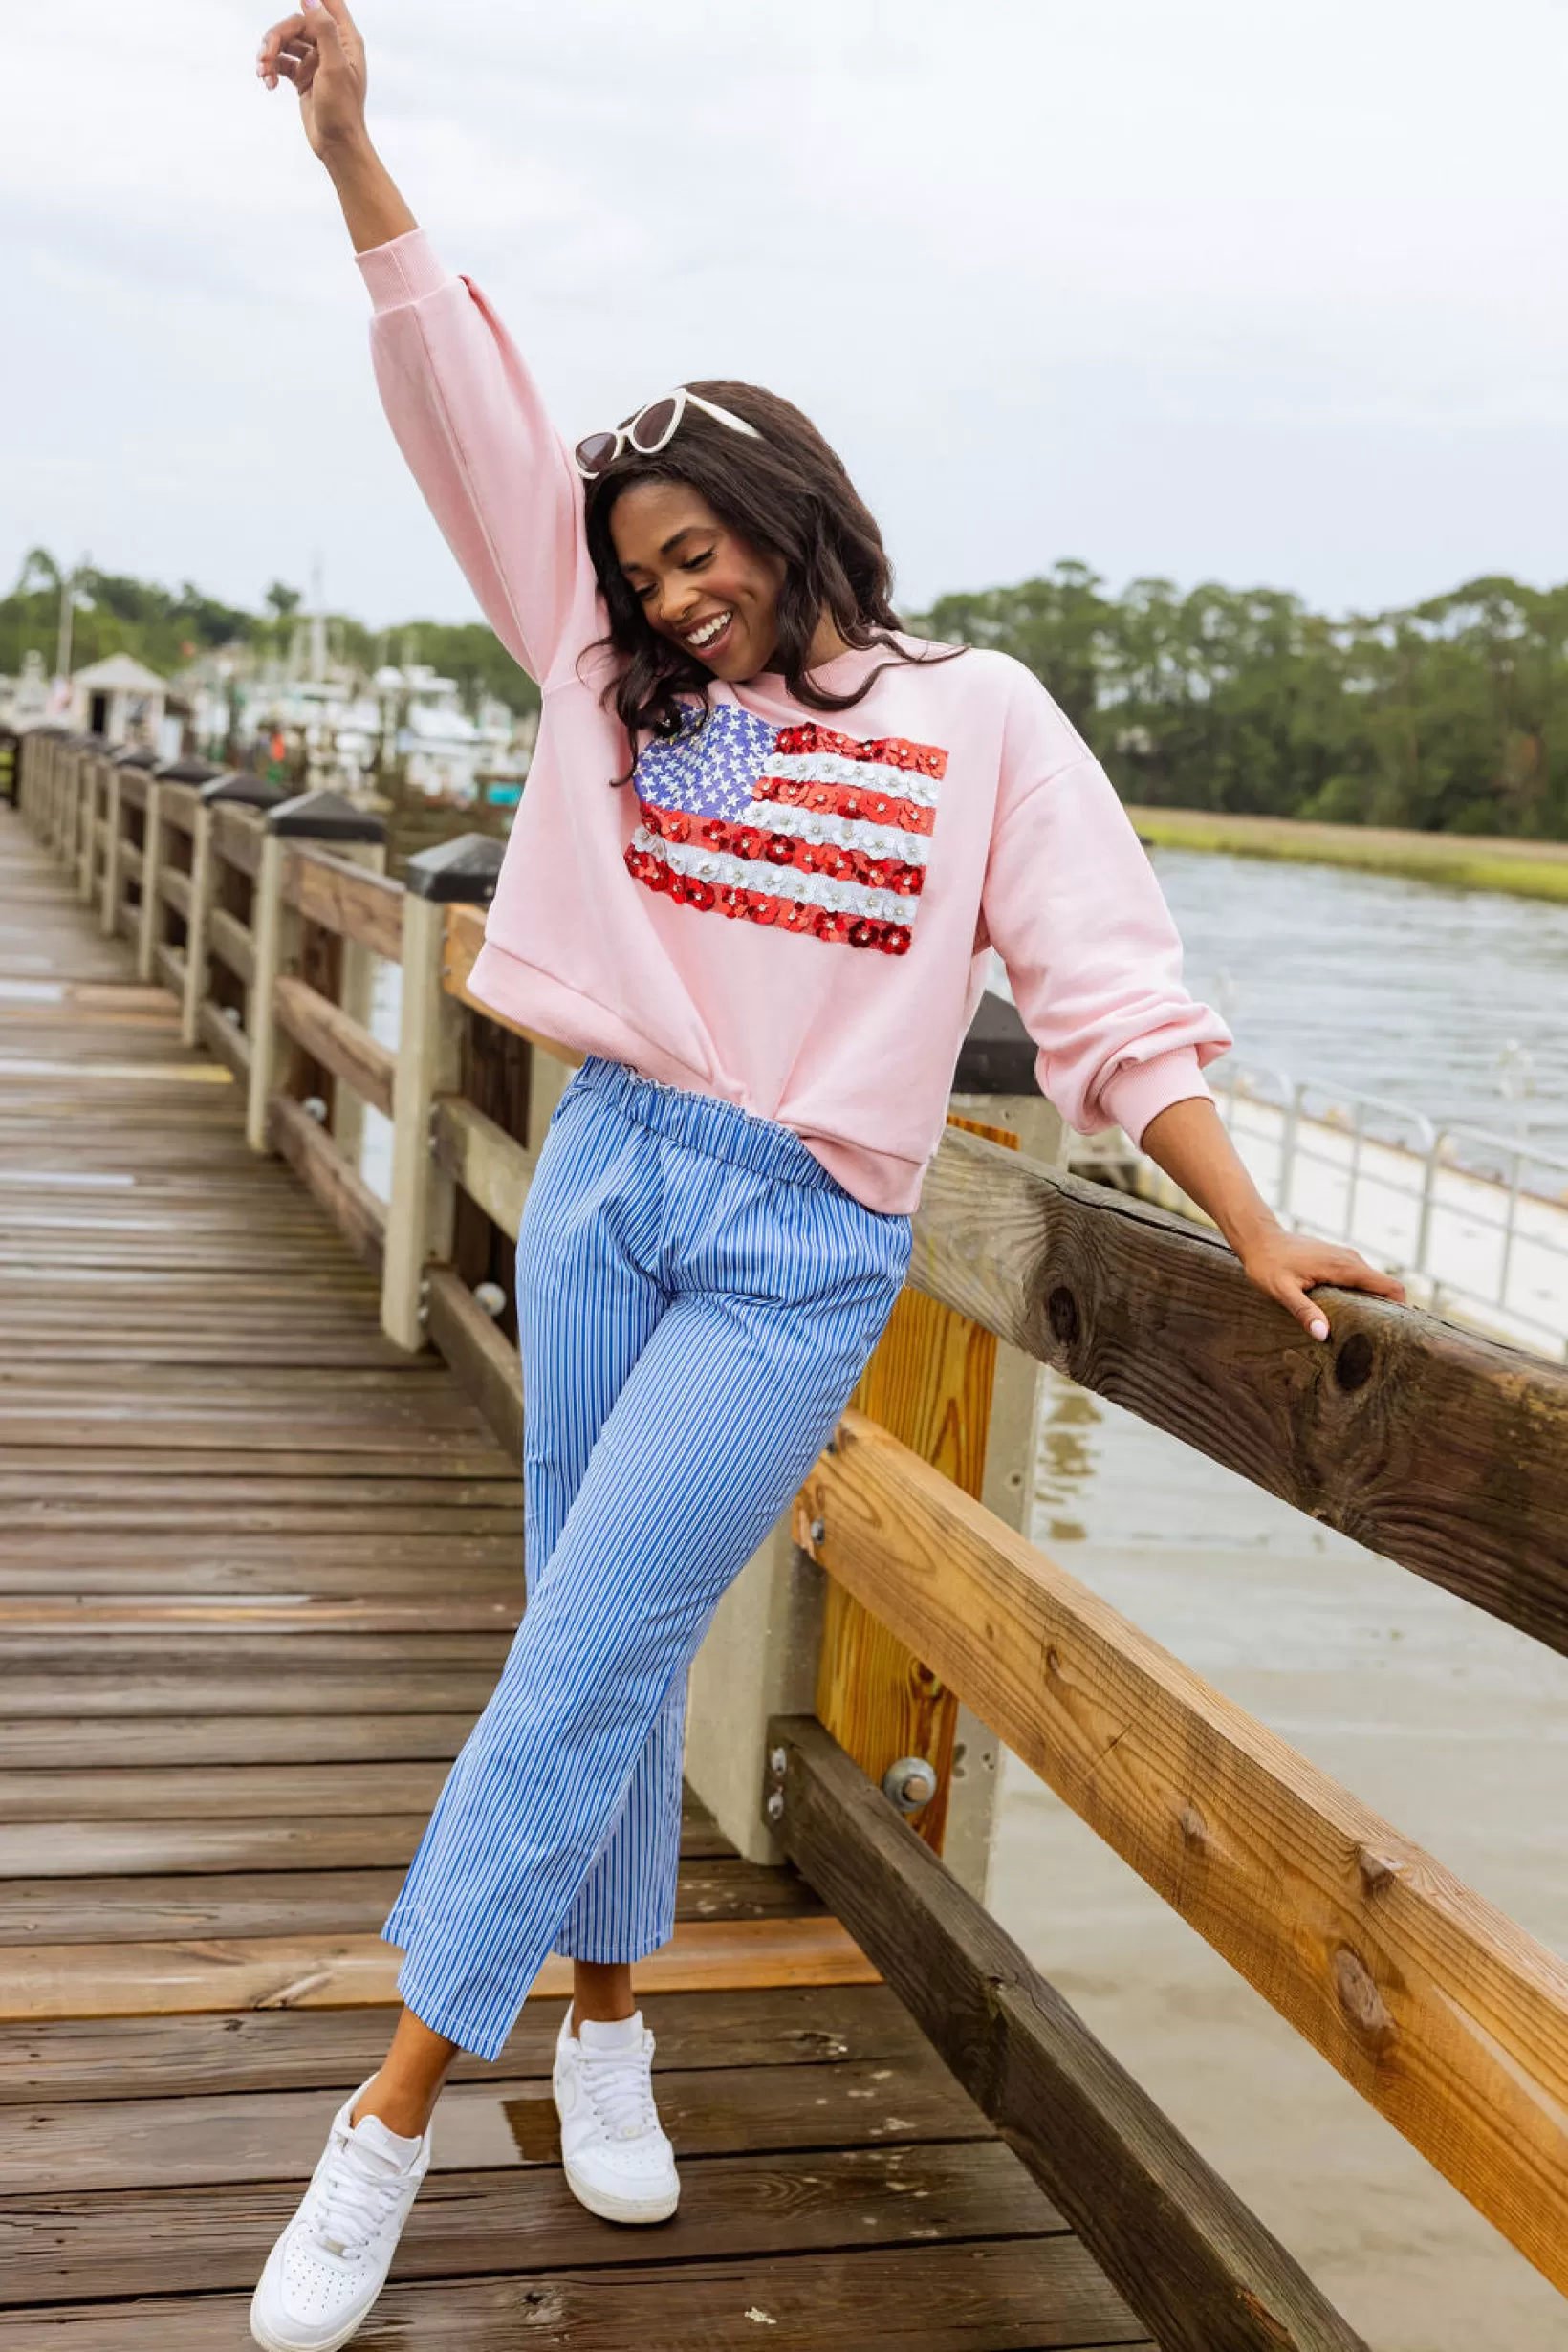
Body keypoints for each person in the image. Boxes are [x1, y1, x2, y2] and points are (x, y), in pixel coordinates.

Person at [250, 8, 1405, 2346]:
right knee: (592, 1629)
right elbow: (462, 414)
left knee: (584, 1642)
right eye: (641, 568)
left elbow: (1104, 990)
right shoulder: (601, 672)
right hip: (607, 1181)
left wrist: (1245, 1215)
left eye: (701, 554)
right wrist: (362, 166)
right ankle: (604, 2028)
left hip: (798, 1247)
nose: (672, 597)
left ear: (793, 515)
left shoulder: (981, 718)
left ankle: (381, 2124)